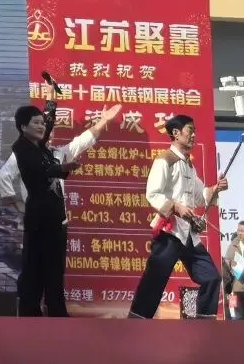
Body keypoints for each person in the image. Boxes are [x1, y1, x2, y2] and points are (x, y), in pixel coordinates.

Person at [13, 102, 121, 317]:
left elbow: (83, 140)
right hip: (37, 222)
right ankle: (29, 316)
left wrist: (103, 121)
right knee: (33, 272)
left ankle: (57, 316)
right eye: (36, 123)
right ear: (23, 127)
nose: (43, 128)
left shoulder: (52, 151)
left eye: (43, 124)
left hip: (57, 222)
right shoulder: (22, 150)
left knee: (54, 273)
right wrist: (65, 168)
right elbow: (41, 171)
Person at [129, 114, 228, 320]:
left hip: (189, 234)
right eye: (190, 130)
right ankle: (137, 323)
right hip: (169, 232)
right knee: (154, 280)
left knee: (211, 277)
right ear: (176, 133)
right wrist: (175, 206)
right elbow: (152, 193)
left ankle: (204, 325)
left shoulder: (189, 165)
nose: (193, 135)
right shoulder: (165, 160)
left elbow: (201, 196)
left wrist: (216, 189)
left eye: (194, 131)